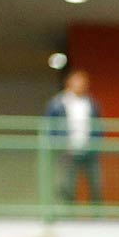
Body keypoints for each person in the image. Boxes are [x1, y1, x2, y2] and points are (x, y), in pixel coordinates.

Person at [44, 69, 103, 207]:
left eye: (84, 82)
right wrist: (57, 144)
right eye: (78, 81)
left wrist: (96, 144)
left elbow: (99, 125)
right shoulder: (57, 103)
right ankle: (70, 219)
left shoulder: (92, 103)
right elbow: (49, 126)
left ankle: (98, 219)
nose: (81, 85)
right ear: (69, 83)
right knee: (68, 187)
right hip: (68, 151)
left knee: (96, 185)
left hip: (90, 150)